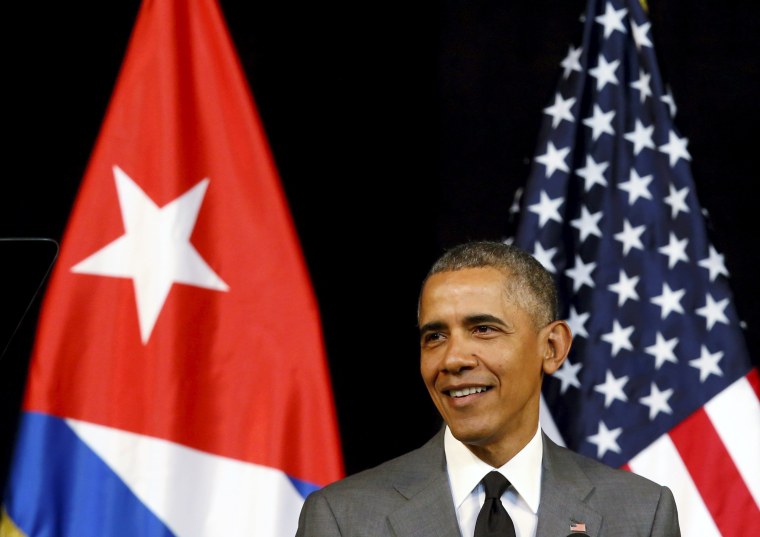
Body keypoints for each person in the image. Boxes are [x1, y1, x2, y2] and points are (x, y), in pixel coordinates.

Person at [296, 240, 681, 537]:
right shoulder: (342, 518)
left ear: (551, 348)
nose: (452, 359)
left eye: (483, 329)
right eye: (435, 336)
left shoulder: (640, 514)